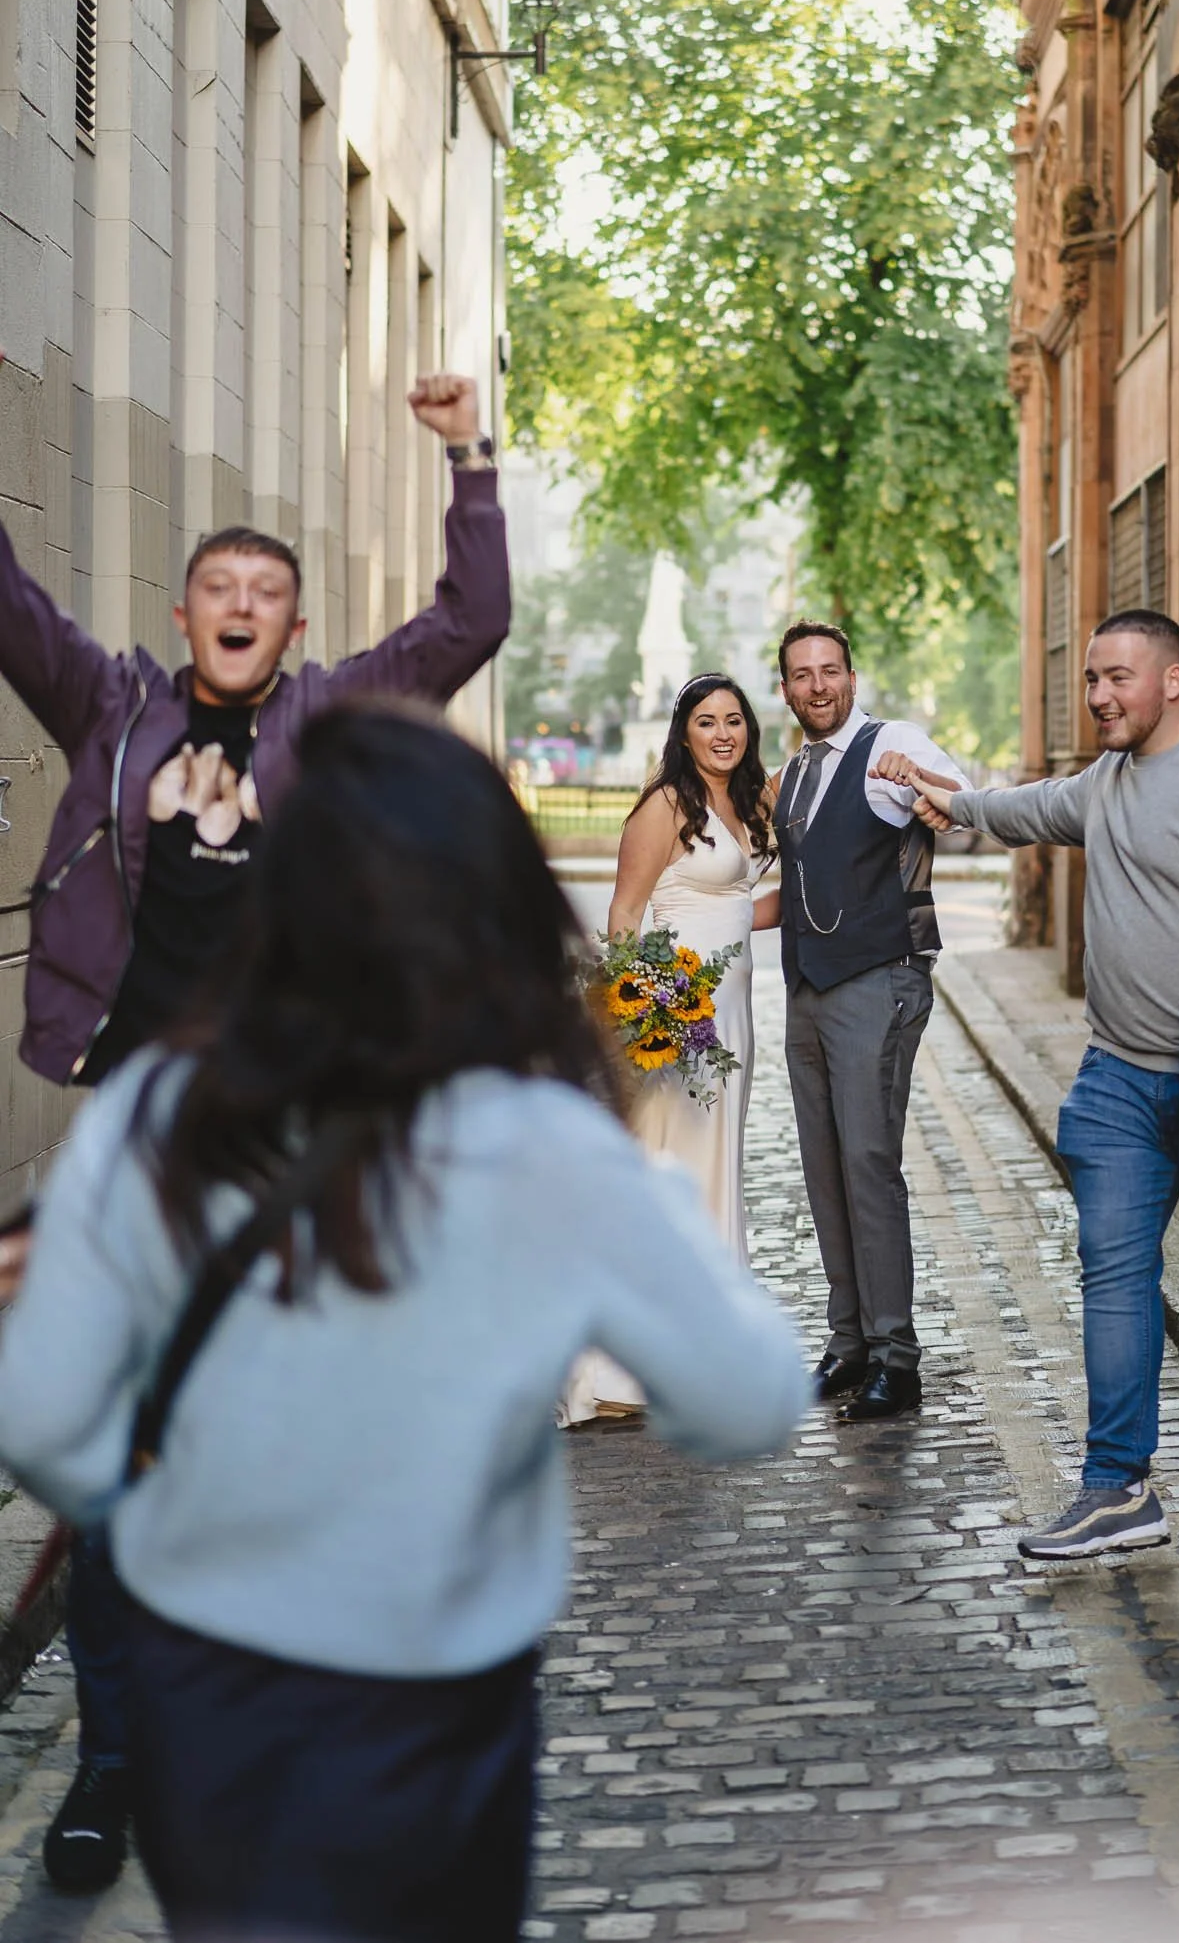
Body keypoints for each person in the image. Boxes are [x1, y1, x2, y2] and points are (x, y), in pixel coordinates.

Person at [0, 704, 808, 1943]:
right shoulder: (542, 1139)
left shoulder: (161, 1106)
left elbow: (46, 1424)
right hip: (443, 1694)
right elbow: (748, 1400)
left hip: (207, 1683)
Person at [0, 369, 510, 1894]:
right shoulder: (112, 704)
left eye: (266, 590)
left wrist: (470, 457)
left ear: (292, 627)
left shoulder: (338, 715)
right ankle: (107, 1769)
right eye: (219, 584)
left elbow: (465, 621)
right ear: (184, 607)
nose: (241, 602)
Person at [886, 608, 1179, 1558]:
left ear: (1171, 678)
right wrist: (950, 801)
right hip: (1120, 1075)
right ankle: (1117, 1487)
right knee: (1115, 1271)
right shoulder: (1111, 780)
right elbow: (1031, 808)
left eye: (1117, 676)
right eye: (1090, 679)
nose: (1100, 695)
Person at [561, 675, 779, 1425]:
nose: (723, 733)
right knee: (670, 1173)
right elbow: (624, 914)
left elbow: (743, 902)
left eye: (734, 720)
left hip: (736, 1016)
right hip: (680, 1017)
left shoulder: (750, 800)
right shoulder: (667, 804)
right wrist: (651, 1013)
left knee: (716, 1172)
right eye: (706, 722)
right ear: (682, 732)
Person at [774, 621, 967, 1422]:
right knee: (824, 1171)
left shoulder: (892, 745)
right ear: (783, 687)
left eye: (830, 671)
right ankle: (847, 1343)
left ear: (852, 677)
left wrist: (918, 775)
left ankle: (897, 1356)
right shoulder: (792, 774)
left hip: (877, 983)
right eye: (801, 675)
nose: (818, 686)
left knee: (868, 1166)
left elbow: (959, 808)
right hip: (807, 991)